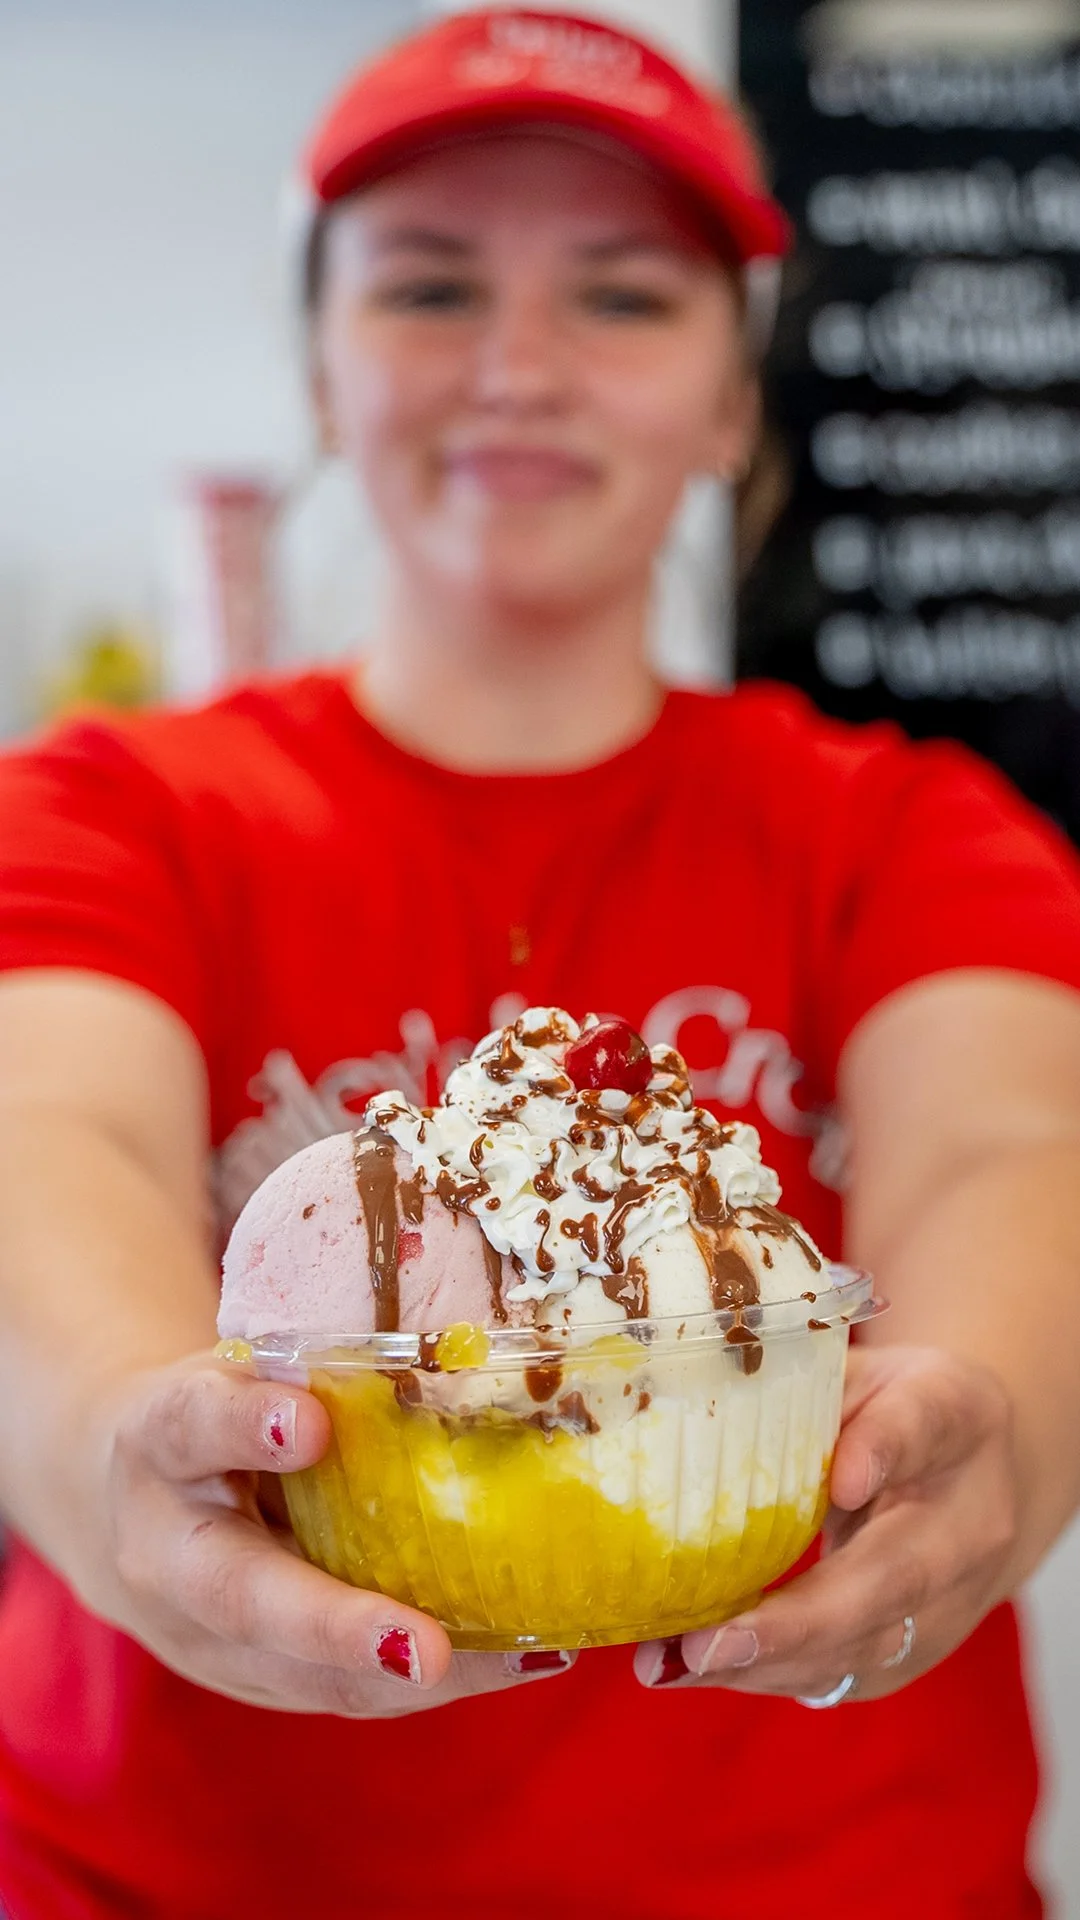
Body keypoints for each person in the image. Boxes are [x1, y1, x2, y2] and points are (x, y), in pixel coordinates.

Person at [1, 9, 1079, 1918]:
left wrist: (989, 1415)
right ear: (322, 372)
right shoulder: (106, 813)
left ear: (734, 399)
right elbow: (43, 1143)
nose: (519, 368)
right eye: (431, 288)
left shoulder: (910, 835)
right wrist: (114, 1446)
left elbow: (1011, 1149)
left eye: (622, 298)